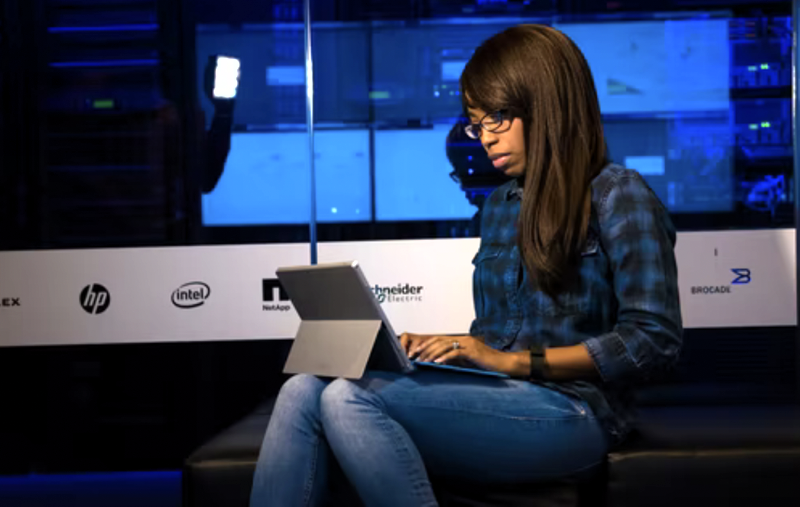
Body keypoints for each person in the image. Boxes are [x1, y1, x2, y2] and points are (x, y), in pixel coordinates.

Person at [249, 24, 682, 507]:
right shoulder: (500, 205)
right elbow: (502, 334)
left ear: (546, 104)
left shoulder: (618, 194)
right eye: (478, 124)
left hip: (577, 410)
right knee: (305, 388)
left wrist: (512, 362)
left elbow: (653, 341)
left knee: (350, 398)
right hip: (499, 393)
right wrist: (447, 349)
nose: (484, 139)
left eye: (497, 118)